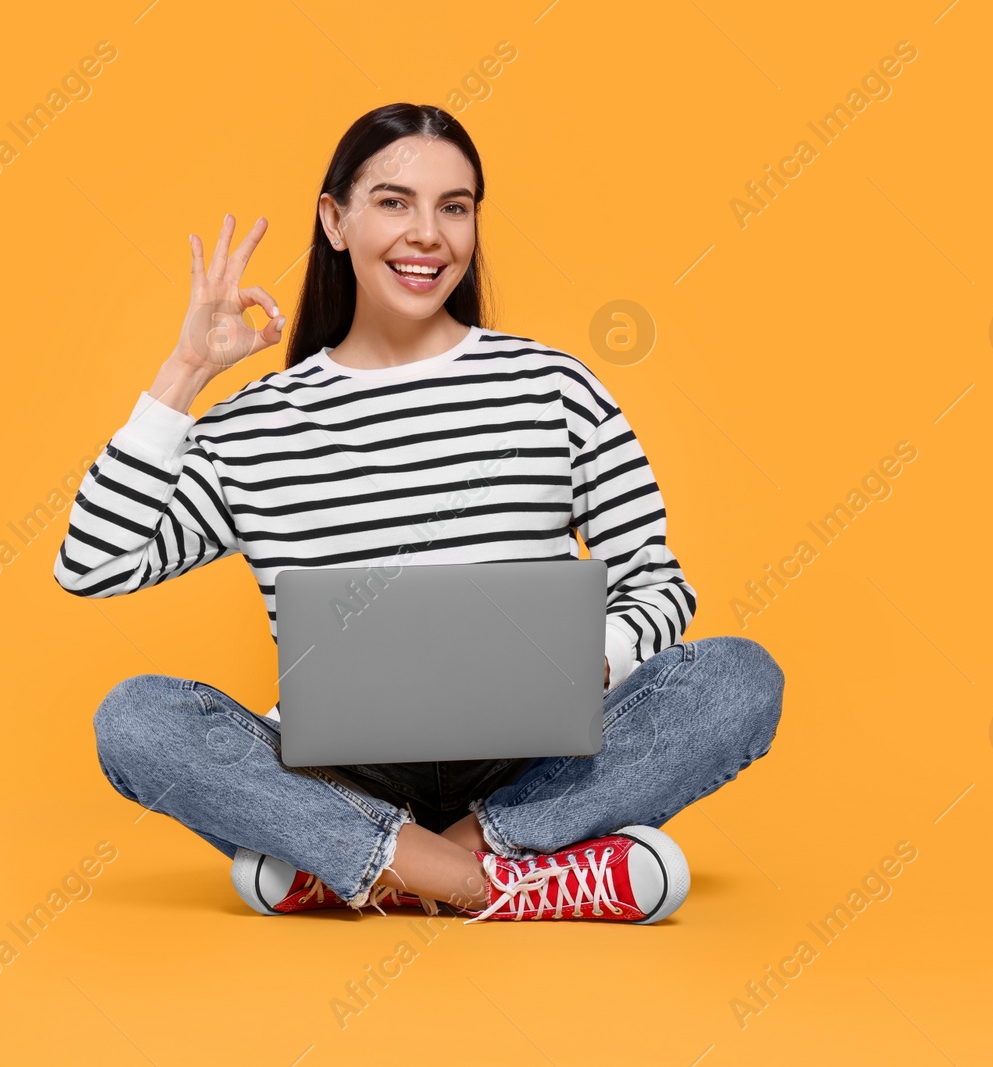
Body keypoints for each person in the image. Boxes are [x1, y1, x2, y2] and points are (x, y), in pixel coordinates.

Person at [54, 103, 784, 923]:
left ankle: (358, 861)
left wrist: (590, 663)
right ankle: (503, 882)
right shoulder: (254, 426)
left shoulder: (553, 387)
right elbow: (94, 563)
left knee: (737, 679)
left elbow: (657, 586)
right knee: (137, 719)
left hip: (535, 762)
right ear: (335, 220)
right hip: (343, 772)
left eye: (455, 206)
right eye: (394, 202)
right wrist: (184, 373)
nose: (427, 234)